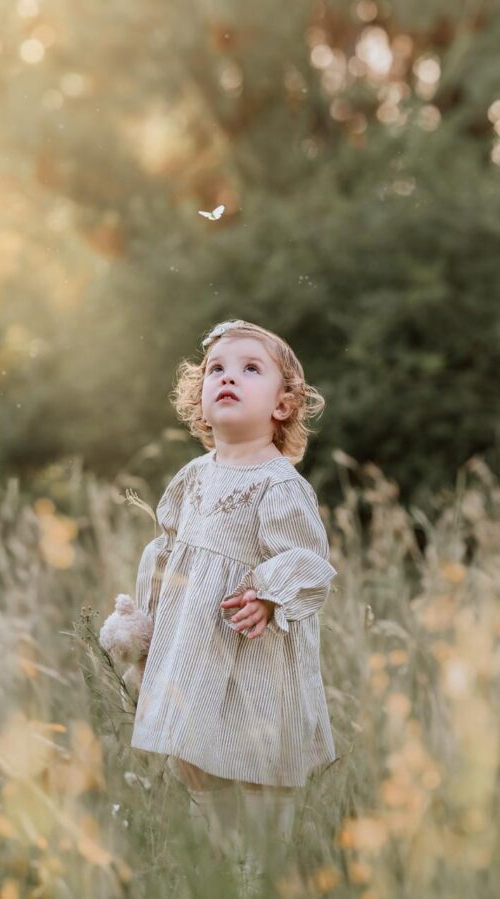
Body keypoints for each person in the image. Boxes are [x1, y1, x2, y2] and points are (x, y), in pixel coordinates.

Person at [129, 319, 338, 890]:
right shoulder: (193, 478)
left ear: (283, 403)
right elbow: (168, 551)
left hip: (253, 659)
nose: (229, 377)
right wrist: (145, 619)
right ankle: (221, 867)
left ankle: (262, 872)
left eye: (251, 369)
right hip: (196, 656)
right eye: (216, 369)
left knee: (259, 764)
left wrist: (270, 597)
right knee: (198, 758)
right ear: (199, 396)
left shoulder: (278, 485)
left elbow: (310, 562)